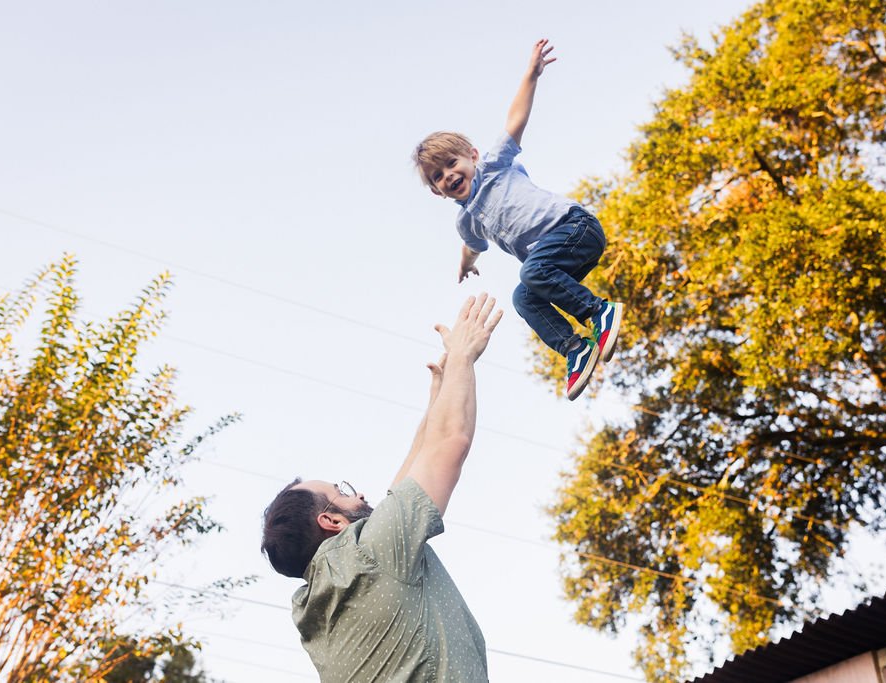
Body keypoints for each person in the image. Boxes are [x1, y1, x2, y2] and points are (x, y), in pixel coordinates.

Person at [261, 294, 503, 683]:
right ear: (333, 521)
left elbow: (410, 477)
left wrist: (438, 400)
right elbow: (449, 443)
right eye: (342, 490)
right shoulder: (371, 555)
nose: (359, 495)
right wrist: (463, 355)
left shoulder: (323, 605)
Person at [412, 39, 623, 401]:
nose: (448, 175)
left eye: (452, 164)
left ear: (472, 156)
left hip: (575, 228)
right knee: (524, 297)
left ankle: (598, 312)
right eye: (437, 176)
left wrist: (531, 74)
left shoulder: (494, 164)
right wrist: (465, 266)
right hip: (558, 261)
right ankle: (575, 349)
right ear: (437, 191)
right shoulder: (467, 222)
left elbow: (516, 119)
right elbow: (471, 247)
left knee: (532, 273)